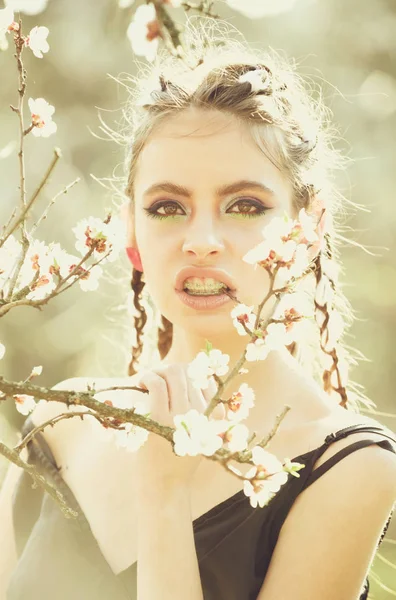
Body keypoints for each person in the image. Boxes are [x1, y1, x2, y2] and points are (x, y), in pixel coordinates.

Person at [1, 21, 396, 600]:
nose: (203, 239)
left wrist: (164, 499)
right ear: (130, 232)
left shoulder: (348, 467)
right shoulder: (61, 428)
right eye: (167, 207)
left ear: (308, 229)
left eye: (243, 205)